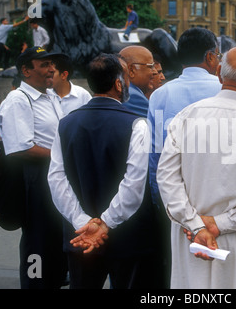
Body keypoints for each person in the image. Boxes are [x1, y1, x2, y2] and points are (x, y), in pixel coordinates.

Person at [156, 45, 236, 288]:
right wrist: (220, 223)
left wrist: (196, 224)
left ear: (218, 73)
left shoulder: (186, 118)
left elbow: (167, 179)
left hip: (192, 240)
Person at [48, 53, 164, 289]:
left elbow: (57, 180)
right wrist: (105, 223)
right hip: (128, 238)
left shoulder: (66, 123)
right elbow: (134, 184)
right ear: (119, 84)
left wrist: (83, 221)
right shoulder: (136, 124)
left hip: (80, 236)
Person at [147, 27, 222, 287]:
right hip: (223, 197)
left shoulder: (160, 94)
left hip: (177, 196)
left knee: (181, 270)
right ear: (211, 57)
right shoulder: (225, 87)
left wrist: (162, 202)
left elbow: (155, 152)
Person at [0, 46, 67, 289]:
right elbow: (21, 149)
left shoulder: (51, 96)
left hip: (53, 176)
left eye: (52, 64)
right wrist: (63, 157)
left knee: (54, 240)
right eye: (45, 64)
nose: (52, 69)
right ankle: (35, 284)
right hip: (35, 179)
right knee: (37, 242)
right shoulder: (18, 100)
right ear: (26, 70)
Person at [120, 46, 157, 118]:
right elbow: (160, 125)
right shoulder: (132, 96)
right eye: (151, 66)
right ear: (131, 70)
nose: (155, 72)